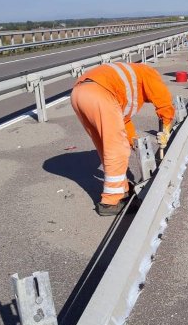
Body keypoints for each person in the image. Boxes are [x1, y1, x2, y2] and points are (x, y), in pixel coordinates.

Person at [71, 62, 175, 216]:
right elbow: (164, 100)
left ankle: (122, 189)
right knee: (117, 149)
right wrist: (166, 128)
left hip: (78, 94)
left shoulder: (125, 82)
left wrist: (134, 142)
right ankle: (111, 202)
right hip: (99, 93)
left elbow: (123, 121)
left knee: (106, 146)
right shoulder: (148, 73)